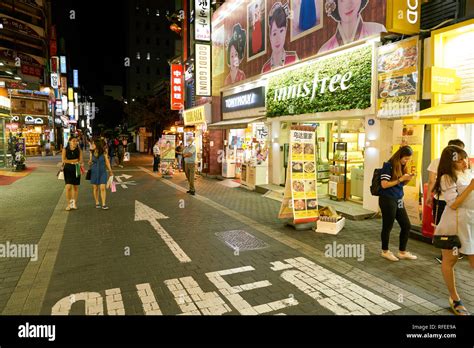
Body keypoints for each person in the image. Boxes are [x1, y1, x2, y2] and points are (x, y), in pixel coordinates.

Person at [432, 146, 474, 315]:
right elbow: (453, 204)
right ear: (451, 162)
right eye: (460, 160)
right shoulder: (446, 178)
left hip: (471, 223)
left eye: (466, 158)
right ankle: (454, 298)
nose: (465, 162)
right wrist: (471, 188)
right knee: (450, 261)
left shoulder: (469, 173)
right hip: (454, 226)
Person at [426, 139, 465, 263]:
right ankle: (452, 253)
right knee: (452, 228)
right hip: (454, 201)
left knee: (444, 227)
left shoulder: (438, 161)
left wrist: (428, 195)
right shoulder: (456, 169)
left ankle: (447, 255)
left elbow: (432, 180)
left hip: (444, 200)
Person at [379, 145, 417, 261]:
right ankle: (385, 251)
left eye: (408, 159)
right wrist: (400, 179)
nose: (407, 161)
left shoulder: (402, 166)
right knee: (388, 226)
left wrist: (407, 179)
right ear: (399, 156)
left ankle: (402, 252)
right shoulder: (388, 165)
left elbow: (400, 185)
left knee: (406, 225)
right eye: (405, 158)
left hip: (399, 199)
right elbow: (384, 184)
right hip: (387, 199)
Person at [319, 0, 386, 54]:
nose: (348, 4)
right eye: (342, 0)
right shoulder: (324, 50)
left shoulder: (378, 30)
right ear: (335, 4)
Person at [262, 2, 298, 73]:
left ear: (285, 32)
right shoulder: (265, 68)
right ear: (270, 36)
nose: (278, 38)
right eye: (274, 33)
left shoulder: (293, 58)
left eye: (281, 31)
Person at [88, 139, 113, 209]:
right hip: (94, 171)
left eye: (93, 144)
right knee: (95, 188)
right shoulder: (91, 152)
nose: (92, 145)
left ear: (97, 145)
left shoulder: (104, 153)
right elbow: (90, 161)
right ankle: (97, 202)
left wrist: (110, 171)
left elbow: (107, 162)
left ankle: (104, 204)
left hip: (102, 171)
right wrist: (90, 162)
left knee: (102, 187)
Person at [62, 135, 83, 211]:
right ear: (69, 141)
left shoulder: (79, 150)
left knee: (75, 187)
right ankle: (69, 204)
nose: (75, 142)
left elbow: (80, 161)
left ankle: (74, 204)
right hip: (67, 169)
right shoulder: (65, 149)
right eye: (73, 141)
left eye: (76, 141)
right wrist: (74, 160)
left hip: (76, 168)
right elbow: (64, 160)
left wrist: (76, 161)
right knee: (68, 187)